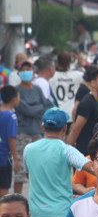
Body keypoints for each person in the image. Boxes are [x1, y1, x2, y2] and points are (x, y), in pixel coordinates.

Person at [14, 61, 52, 195]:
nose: (27, 72)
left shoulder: (37, 89)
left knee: (38, 166)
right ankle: (17, 197)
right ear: (18, 73)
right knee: (19, 169)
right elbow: (25, 109)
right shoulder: (17, 90)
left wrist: (35, 108)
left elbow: (48, 105)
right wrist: (38, 108)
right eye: (23, 70)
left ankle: (39, 195)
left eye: (29, 69)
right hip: (22, 132)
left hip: (38, 131)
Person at [68, 68, 98, 156]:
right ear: (93, 83)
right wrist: (67, 151)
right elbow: (76, 129)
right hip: (83, 153)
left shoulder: (95, 101)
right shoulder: (88, 102)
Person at [0, 86, 20, 198]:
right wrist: (16, 159)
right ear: (14, 99)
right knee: (4, 189)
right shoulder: (11, 116)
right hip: (4, 158)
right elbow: (11, 139)